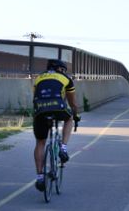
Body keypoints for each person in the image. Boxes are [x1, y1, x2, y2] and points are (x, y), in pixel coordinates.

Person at [32, 59, 80, 192]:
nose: (64, 72)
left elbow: (36, 96)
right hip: (58, 107)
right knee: (69, 118)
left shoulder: (39, 78)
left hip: (40, 110)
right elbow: (73, 103)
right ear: (59, 69)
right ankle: (63, 148)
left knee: (40, 142)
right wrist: (76, 115)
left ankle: (40, 177)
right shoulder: (66, 79)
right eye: (63, 69)